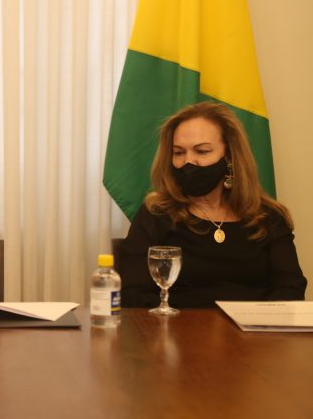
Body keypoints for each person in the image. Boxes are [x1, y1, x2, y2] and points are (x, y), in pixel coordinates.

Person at [119, 101, 306, 308]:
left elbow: (291, 289)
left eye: (202, 151)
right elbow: (132, 293)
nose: (188, 162)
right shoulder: (157, 214)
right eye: (178, 152)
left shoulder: (269, 217)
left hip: (255, 328)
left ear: (229, 156)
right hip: (178, 327)